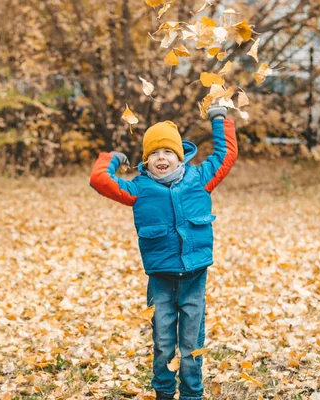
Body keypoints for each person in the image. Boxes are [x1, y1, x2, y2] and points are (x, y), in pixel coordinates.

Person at [89, 105, 238, 400]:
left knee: (192, 343)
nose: (161, 158)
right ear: (146, 160)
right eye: (154, 153)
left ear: (179, 156)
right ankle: (164, 394)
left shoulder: (199, 180)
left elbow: (225, 155)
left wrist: (219, 119)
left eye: (168, 152)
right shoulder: (139, 189)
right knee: (163, 343)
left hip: (194, 279)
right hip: (160, 283)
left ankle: (192, 395)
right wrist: (113, 159)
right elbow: (99, 180)